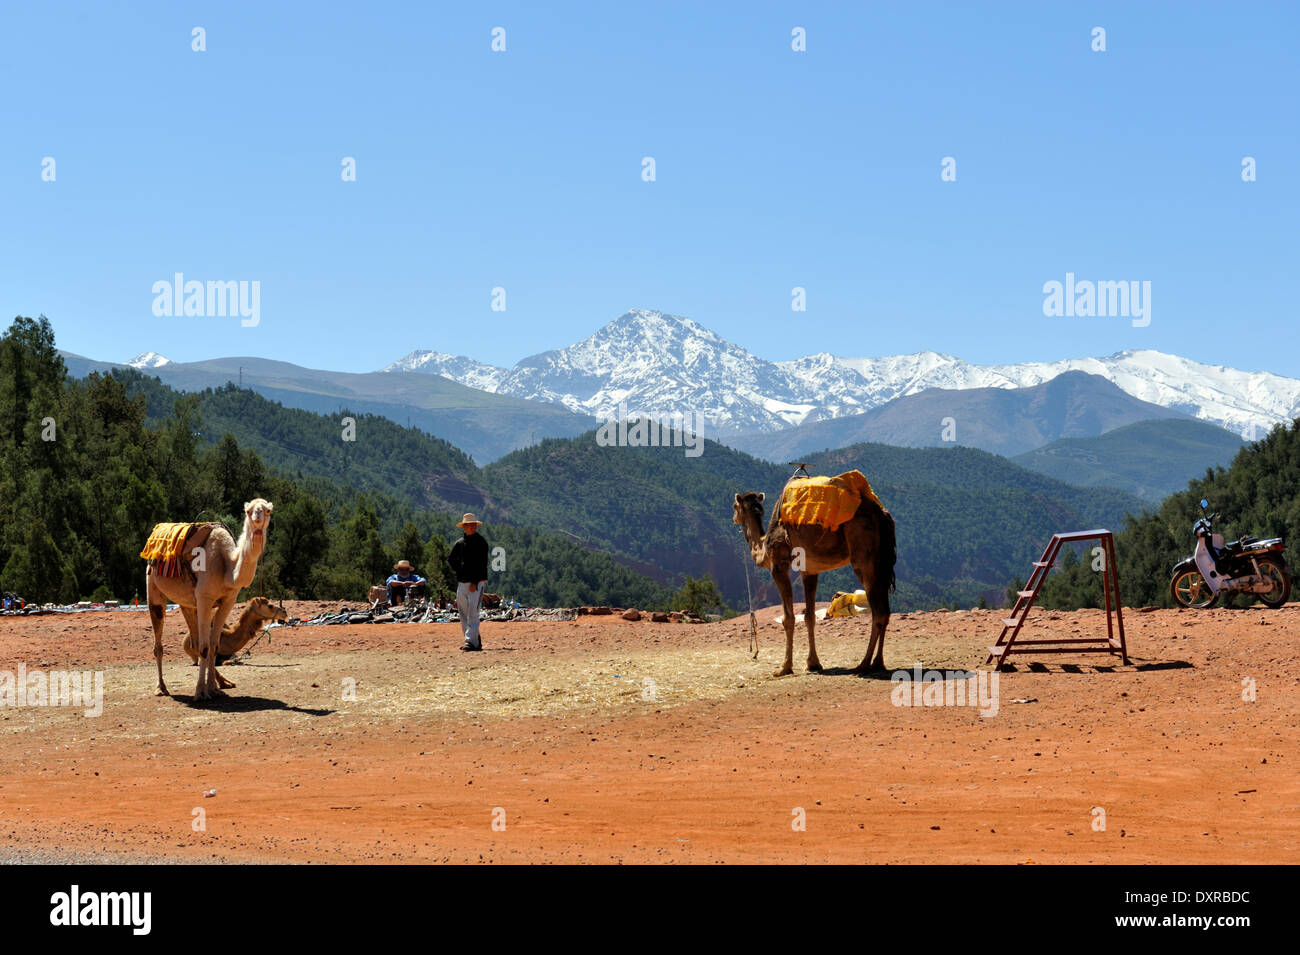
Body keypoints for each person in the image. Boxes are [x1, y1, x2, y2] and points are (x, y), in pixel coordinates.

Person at [448, 513, 490, 651]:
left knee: (473, 612)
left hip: (475, 584)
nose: (471, 527)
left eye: (473, 525)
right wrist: (460, 572)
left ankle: (470, 641)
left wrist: (475, 582)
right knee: (464, 613)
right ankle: (474, 641)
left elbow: (482, 564)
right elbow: (451, 560)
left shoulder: (481, 543)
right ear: (464, 527)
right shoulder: (459, 544)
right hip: (462, 582)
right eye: (469, 525)